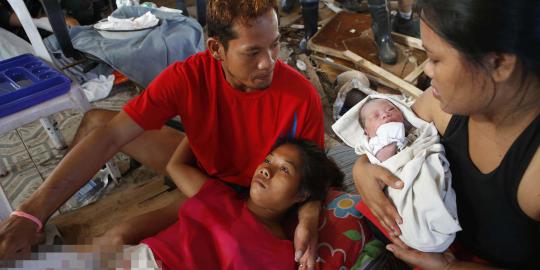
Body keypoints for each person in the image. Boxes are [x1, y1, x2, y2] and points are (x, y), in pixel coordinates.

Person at [0, 1, 326, 268]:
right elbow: (113, 136)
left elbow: (313, 177)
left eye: (275, 44)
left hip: (241, 195)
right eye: (252, 52)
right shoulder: (187, 77)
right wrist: (31, 212)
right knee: (99, 124)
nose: (268, 63)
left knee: (122, 235)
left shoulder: (301, 96)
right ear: (216, 48)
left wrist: (308, 220)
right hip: (206, 173)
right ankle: (60, 213)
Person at [354, 0, 540, 268]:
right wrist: (363, 169)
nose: (426, 71)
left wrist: (452, 267)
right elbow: (386, 141)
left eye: (435, 59)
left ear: (499, 63)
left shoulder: (533, 174)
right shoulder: (440, 106)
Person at [137, 138, 342, 269]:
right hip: (139, 258)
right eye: (268, 161)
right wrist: (204, 116)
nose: (265, 170)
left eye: (284, 169)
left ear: (302, 194)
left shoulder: (279, 254)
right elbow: (176, 166)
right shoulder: (219, 194)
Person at [334, 94, 460, 253]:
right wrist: (389, 138)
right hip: (400, 179)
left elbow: (424, 136)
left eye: (391, 109)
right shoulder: (376, 144)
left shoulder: (414, 130)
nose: (386, 114)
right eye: (376, 116)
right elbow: (387, 162)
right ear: (366, 131)